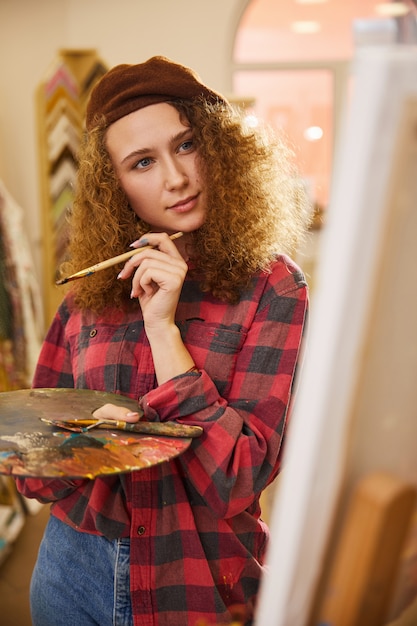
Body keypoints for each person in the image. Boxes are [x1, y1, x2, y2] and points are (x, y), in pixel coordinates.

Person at [16, 56, 311, 626]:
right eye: (143, 162)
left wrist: (162, 330)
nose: (174, 178)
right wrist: (91, 439)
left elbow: (236, 479)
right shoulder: (91, 291)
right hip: (69, 573)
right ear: (116, 187)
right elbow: (34, 470)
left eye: (187, 145)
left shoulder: (274, 285)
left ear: (221, 150)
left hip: (199, 577)